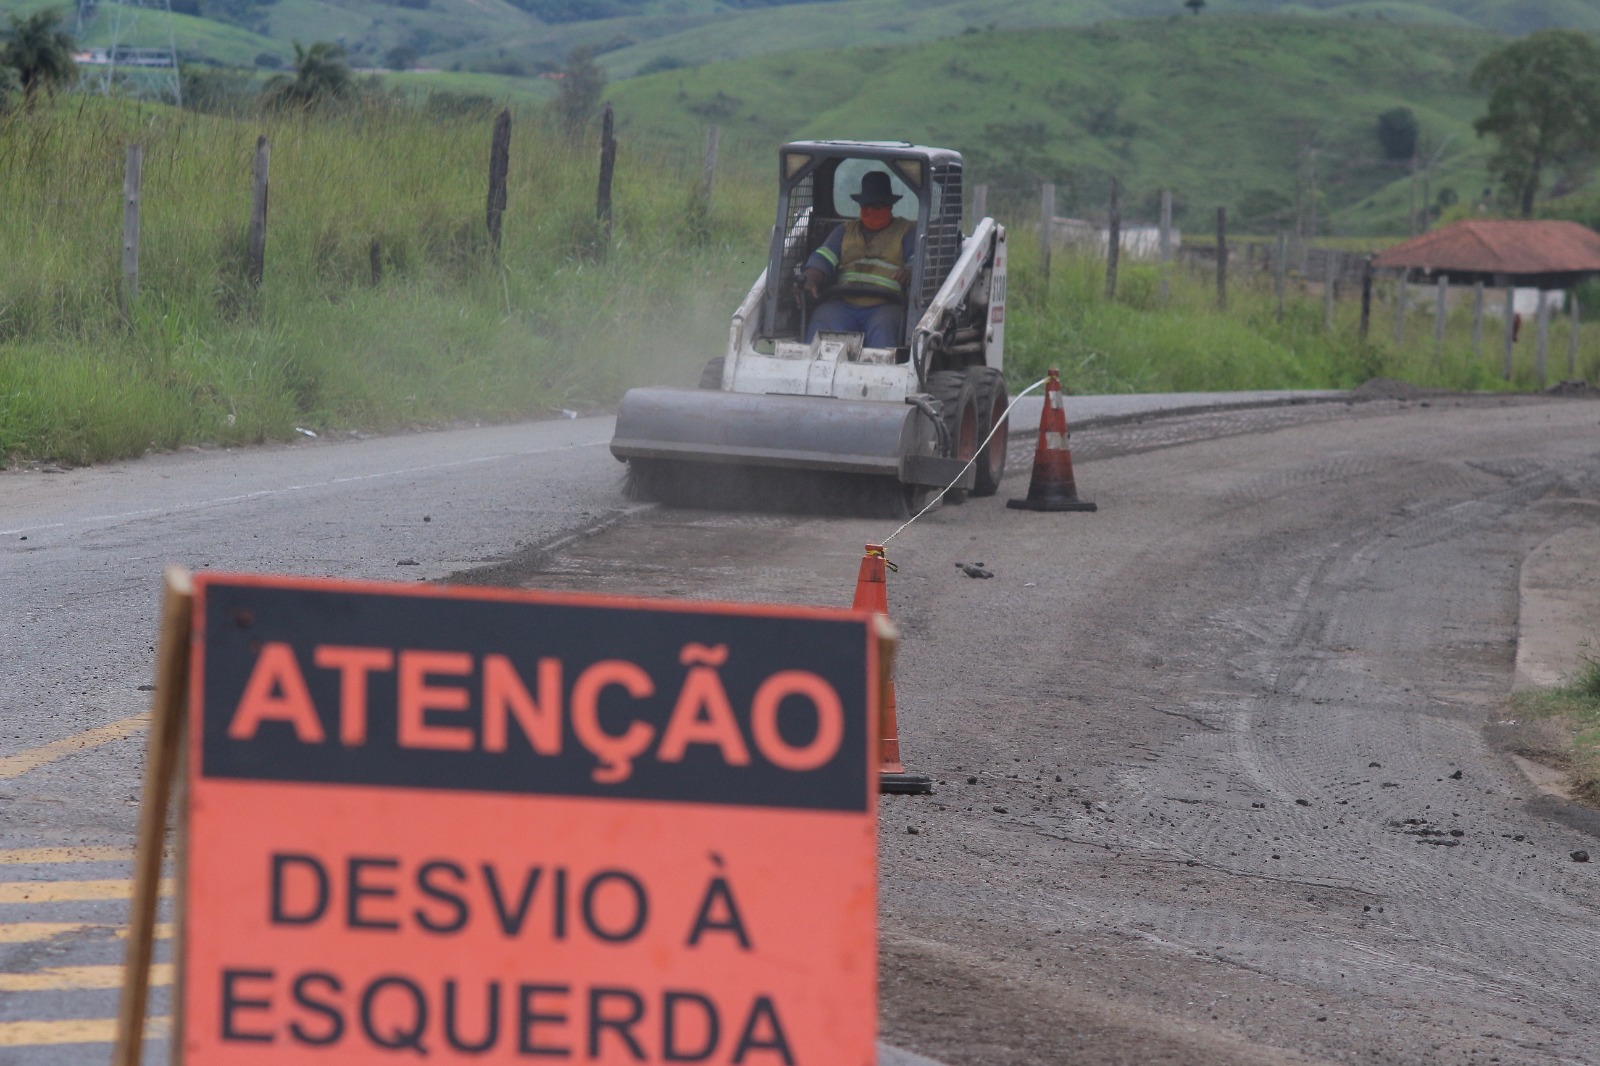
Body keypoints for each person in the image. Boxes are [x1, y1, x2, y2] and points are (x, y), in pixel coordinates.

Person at [800, 170, 916, 349]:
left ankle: (881, 367)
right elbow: (823, 257)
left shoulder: (906, 231)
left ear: (889, 206)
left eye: (877, 207)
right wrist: (810, 278)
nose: (871, 211)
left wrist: (909, 271)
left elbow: (917, 259)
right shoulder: (845, 231)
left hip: (886, 305)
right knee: (824, 317)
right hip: (844, 303)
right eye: (866, 206)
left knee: (884, 327)